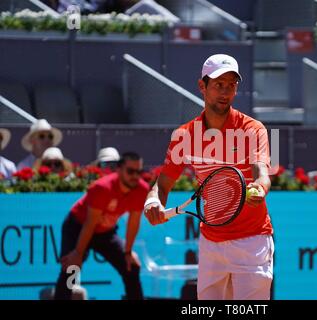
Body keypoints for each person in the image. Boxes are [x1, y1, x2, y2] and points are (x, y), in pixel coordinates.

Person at [144, 54, 274, 300]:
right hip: (210, 243)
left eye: (231, 85)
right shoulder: (184, 135)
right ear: (202, 86)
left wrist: (259, 187)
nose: (225, 91)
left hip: (252, 242)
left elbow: (262, 173)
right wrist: (153, 202)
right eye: (218, 84)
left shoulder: (252, 129)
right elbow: (162, 184)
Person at [54, 152, 149, 300]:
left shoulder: (141, 189)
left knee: (131, 267)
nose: (135, 176)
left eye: (139, 172)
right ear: (119, 169)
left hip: (105, 232)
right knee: (71, 268)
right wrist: (78, 253)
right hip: (78, 227)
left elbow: (134, 222)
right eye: (130, 171)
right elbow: (90, 223)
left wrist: (128, 252)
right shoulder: (102, 188)